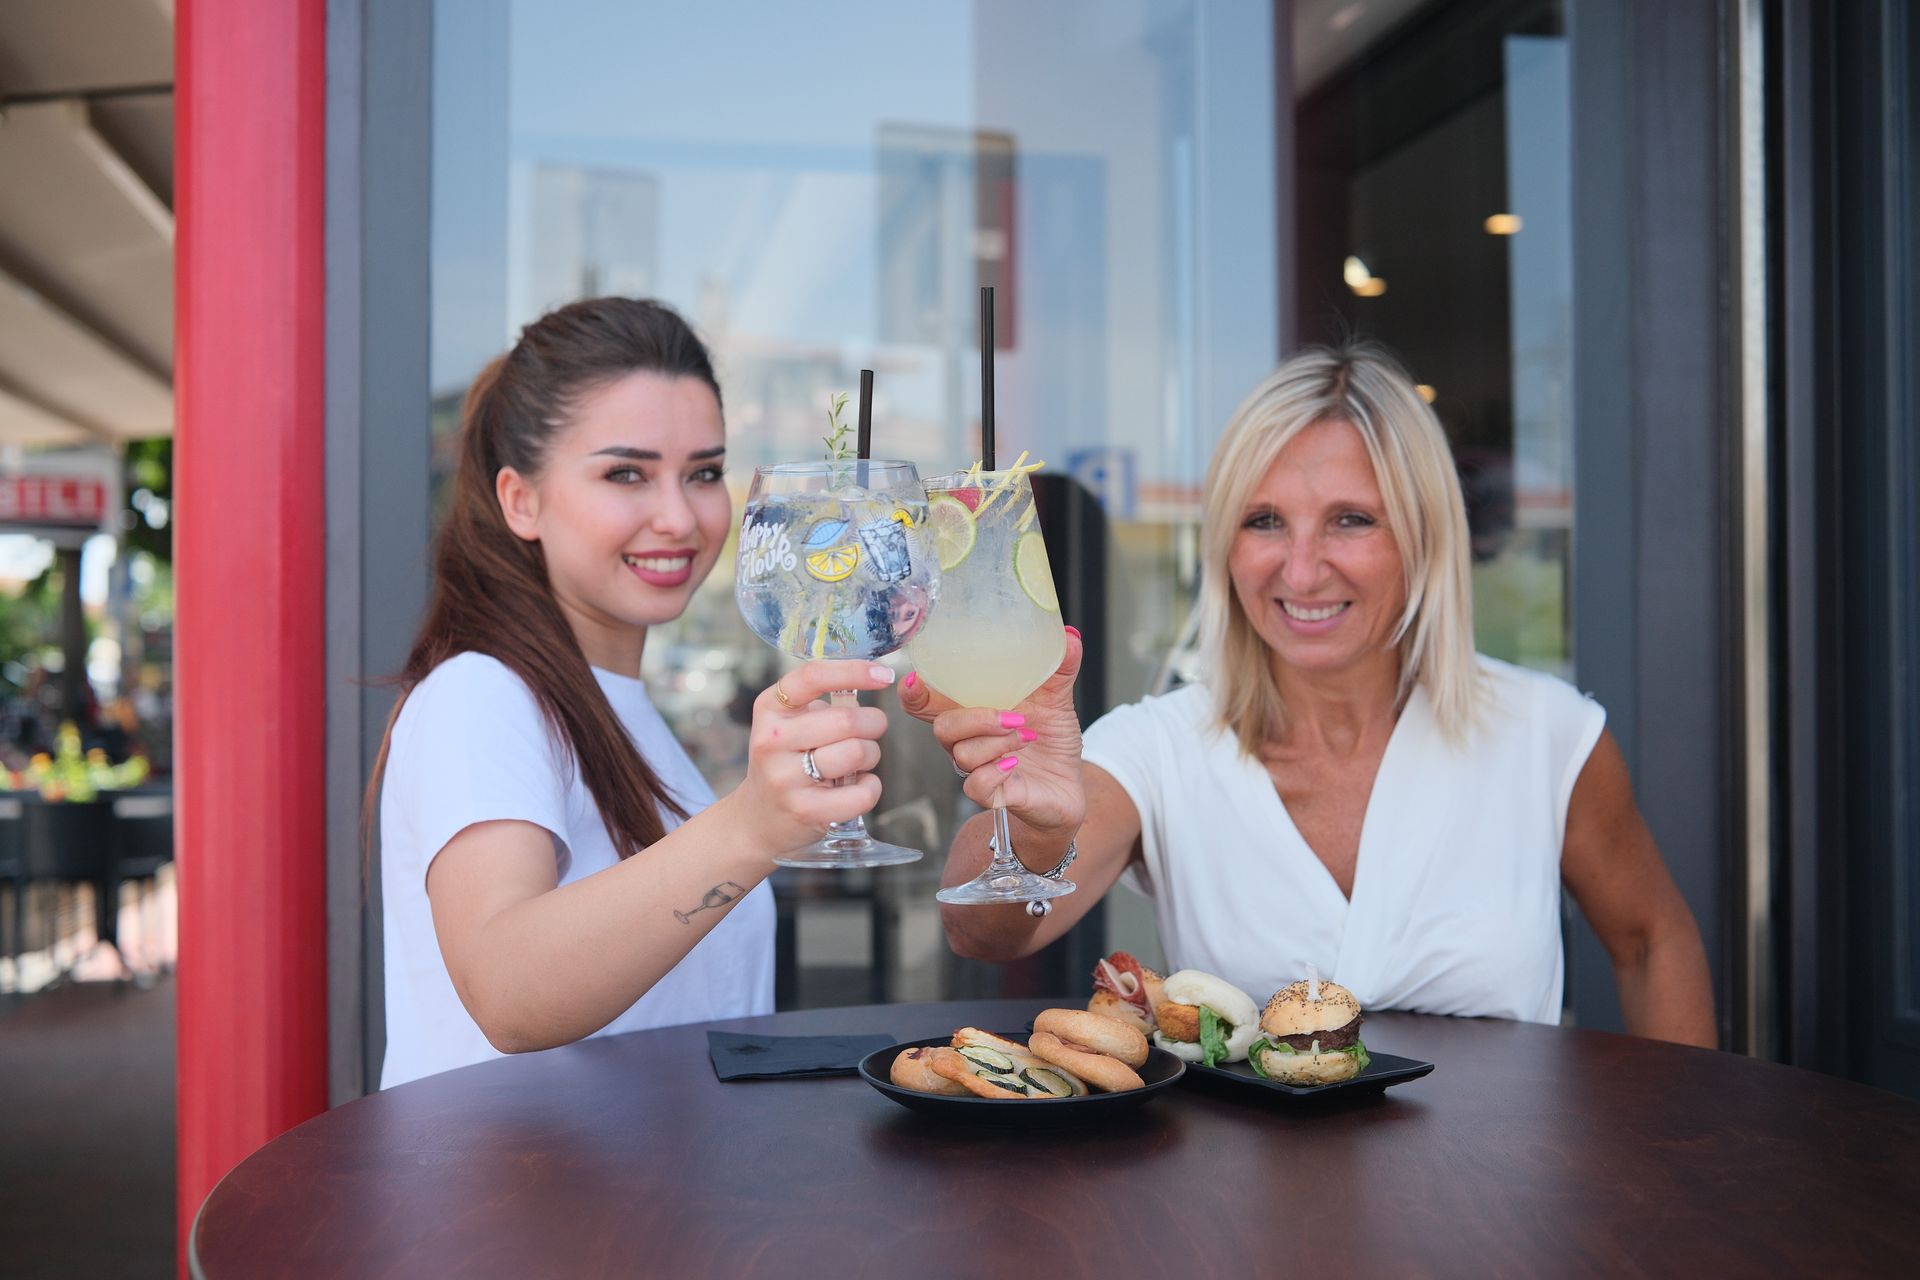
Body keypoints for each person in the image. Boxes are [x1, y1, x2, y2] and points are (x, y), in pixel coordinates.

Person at [902, 343, 1716, 1047]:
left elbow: (1652, 942)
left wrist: (1686, 1174)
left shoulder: (1547, 736)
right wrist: (1038, 830)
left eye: (1350, 520)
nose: (1299, 571)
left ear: (1424, 535)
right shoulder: (1165, 746)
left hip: (1496, 1210)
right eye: (1263, 522)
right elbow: (982, 931)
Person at [369, 297, 895, 1088]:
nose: (679, 517)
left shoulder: (622, 709)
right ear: (522, 500)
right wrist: (751, 828)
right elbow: (504, 990)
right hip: (516, 1204)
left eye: (705, 474)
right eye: (627, 474)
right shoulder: (480, 694)